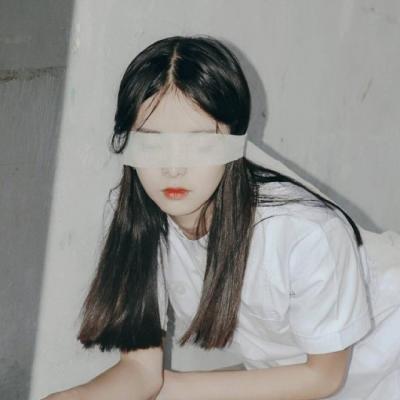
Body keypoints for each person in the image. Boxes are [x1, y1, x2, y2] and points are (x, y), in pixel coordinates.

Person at [42, 35, 400, 400]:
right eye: (152, 143)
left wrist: (168, 389)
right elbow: (140, 370)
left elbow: (324, 377)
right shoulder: (137, 216)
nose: (173, 168)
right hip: (295, 372)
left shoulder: (306, 232)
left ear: (236, 142)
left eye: (200, 143)